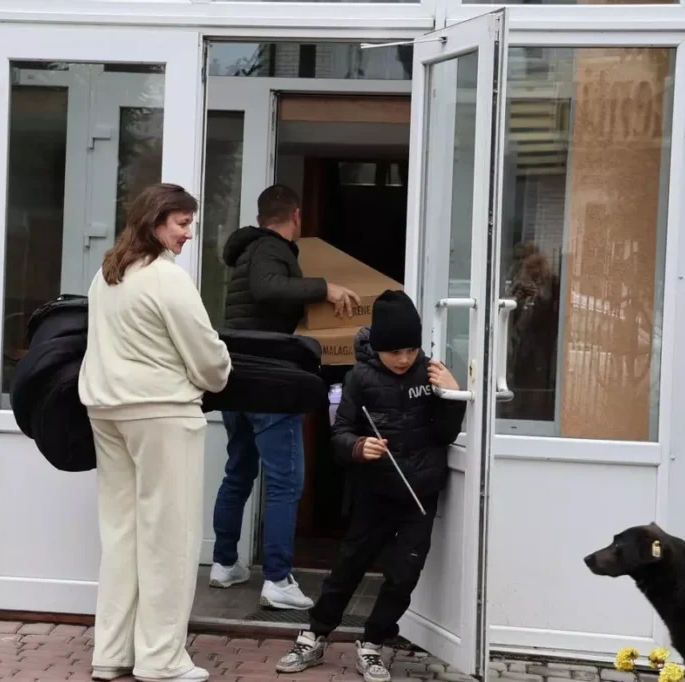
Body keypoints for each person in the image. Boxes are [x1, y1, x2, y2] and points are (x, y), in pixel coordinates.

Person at [79, 183, 232, 682]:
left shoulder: (106, 275)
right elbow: (207, 358)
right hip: (161, 411)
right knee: (170, 537)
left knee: (121, 534)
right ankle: (161, 660)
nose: (188, 234)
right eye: (182, 224)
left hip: (106, 409)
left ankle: (111, 653)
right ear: (155, 222)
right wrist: (219, 372)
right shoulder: (167, 278)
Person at [274, 289, 467, 682]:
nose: (404, 359)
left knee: (403, 575)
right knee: (349, 567)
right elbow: (339, 433)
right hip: (374, 491)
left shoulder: (430, 372)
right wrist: (359, 447)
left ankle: (373, 643)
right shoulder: (359, 377)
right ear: (378, 346)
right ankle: (314, 635)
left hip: (420, 493)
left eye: (411, 350)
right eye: (394, 351)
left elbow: (446, 434)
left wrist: (452, 394)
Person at [209, 184, 360, 610]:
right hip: (269, 381)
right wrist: (325, 288)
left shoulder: (248, 250)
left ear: (261, 216)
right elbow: (268, 288)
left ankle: (224, 564)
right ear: (296, 215)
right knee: (285, 482)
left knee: (239, 471)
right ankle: (277, 579)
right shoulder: (270, 249)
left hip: (237, 378)